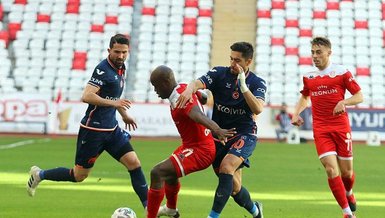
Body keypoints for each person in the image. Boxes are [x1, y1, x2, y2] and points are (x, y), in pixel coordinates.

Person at [26, 34, 148, 209]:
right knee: (78, 176)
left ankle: (149, 208)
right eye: (117, 52)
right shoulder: (103, 70)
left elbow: (113, 95)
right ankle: (39, 174)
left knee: (134, 163)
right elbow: (87, 96)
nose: (120, 56)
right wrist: (115, 104)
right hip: (93, 131)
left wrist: (122, 114)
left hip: (112, 130)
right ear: (109, 50)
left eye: (124, 52)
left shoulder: (121, 67)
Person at [177, 42, 266, 218]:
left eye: (237, 60)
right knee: (234, 187)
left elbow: (258, 109)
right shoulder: (219, 73)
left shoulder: (257, 82)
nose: (233, 63)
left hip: (244, 134)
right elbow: (198, 83)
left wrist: (243, 86)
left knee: (226, 167)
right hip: (218, 135)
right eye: (231, 59)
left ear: (248, 62)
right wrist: (189, 89)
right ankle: (256, 212)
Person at [146, 65, 236, 218]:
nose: (155, 90)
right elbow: (204, 97)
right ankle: (171, 209)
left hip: (200, 150)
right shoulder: (182, 88)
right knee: (169, 173)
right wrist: (199, 97)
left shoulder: (180, 98)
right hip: (192, 146)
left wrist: (217, 130)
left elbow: (196, 115)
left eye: (156, 86)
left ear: (166, 83)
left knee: (157, 172)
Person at [291, 37, 363, 218]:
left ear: (329, 53)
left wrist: (344, 102)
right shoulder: (309, 77)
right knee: (331, 169)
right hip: (321, 128)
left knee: (347, 173)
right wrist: (296, 113)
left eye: (319, 52)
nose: (315, 56)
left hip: (340, 127)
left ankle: (349, 192)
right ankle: (347, 213)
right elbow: (305, 97)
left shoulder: (341, 72)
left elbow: (359, 96)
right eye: (313, 52)